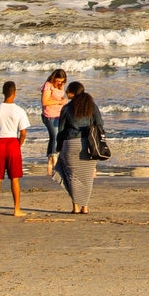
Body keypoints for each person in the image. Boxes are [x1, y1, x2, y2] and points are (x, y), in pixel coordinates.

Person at [57, 82, 104, 214]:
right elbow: (100, 124)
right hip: (89, 145)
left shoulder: (66, 108)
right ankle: (85, 207)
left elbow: (61, 130)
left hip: (71, 144)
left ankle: (76, 207)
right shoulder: (92, 106)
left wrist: (58, 146)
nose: (66, 93)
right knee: (87, 177)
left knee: (73, 177)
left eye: (68, 91)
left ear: (72, 93)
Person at [0, 80, 31, 217]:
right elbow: (23, 132)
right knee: (15, 178)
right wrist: (19, 144)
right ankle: (16, 209)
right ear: (14, 93)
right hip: (13, 143)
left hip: (0, 142)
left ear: (3, 92)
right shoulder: (19, 110)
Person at [39, 70, 70, 156]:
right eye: (58, 80)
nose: (60, 82)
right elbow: (44, 102)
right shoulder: (48, 85)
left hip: (60, 113)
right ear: (54, 78)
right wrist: (59, 102)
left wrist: (64, 100)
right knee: (55, 137)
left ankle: (56, 155)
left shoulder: (61, 85)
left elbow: (59, 97)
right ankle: (52, 158)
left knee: (60, 136)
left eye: (62, 81)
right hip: (50, 114)